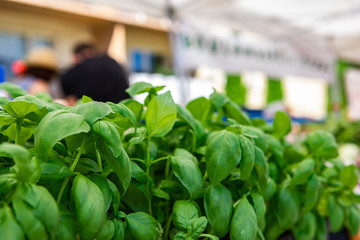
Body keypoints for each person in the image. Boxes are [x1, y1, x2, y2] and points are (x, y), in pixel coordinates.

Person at [60, 43, 130, 105]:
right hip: (124, 112)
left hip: (94, 117)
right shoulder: (113, 62)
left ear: (76, 56)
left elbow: (71, 102)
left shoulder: (74, 71)